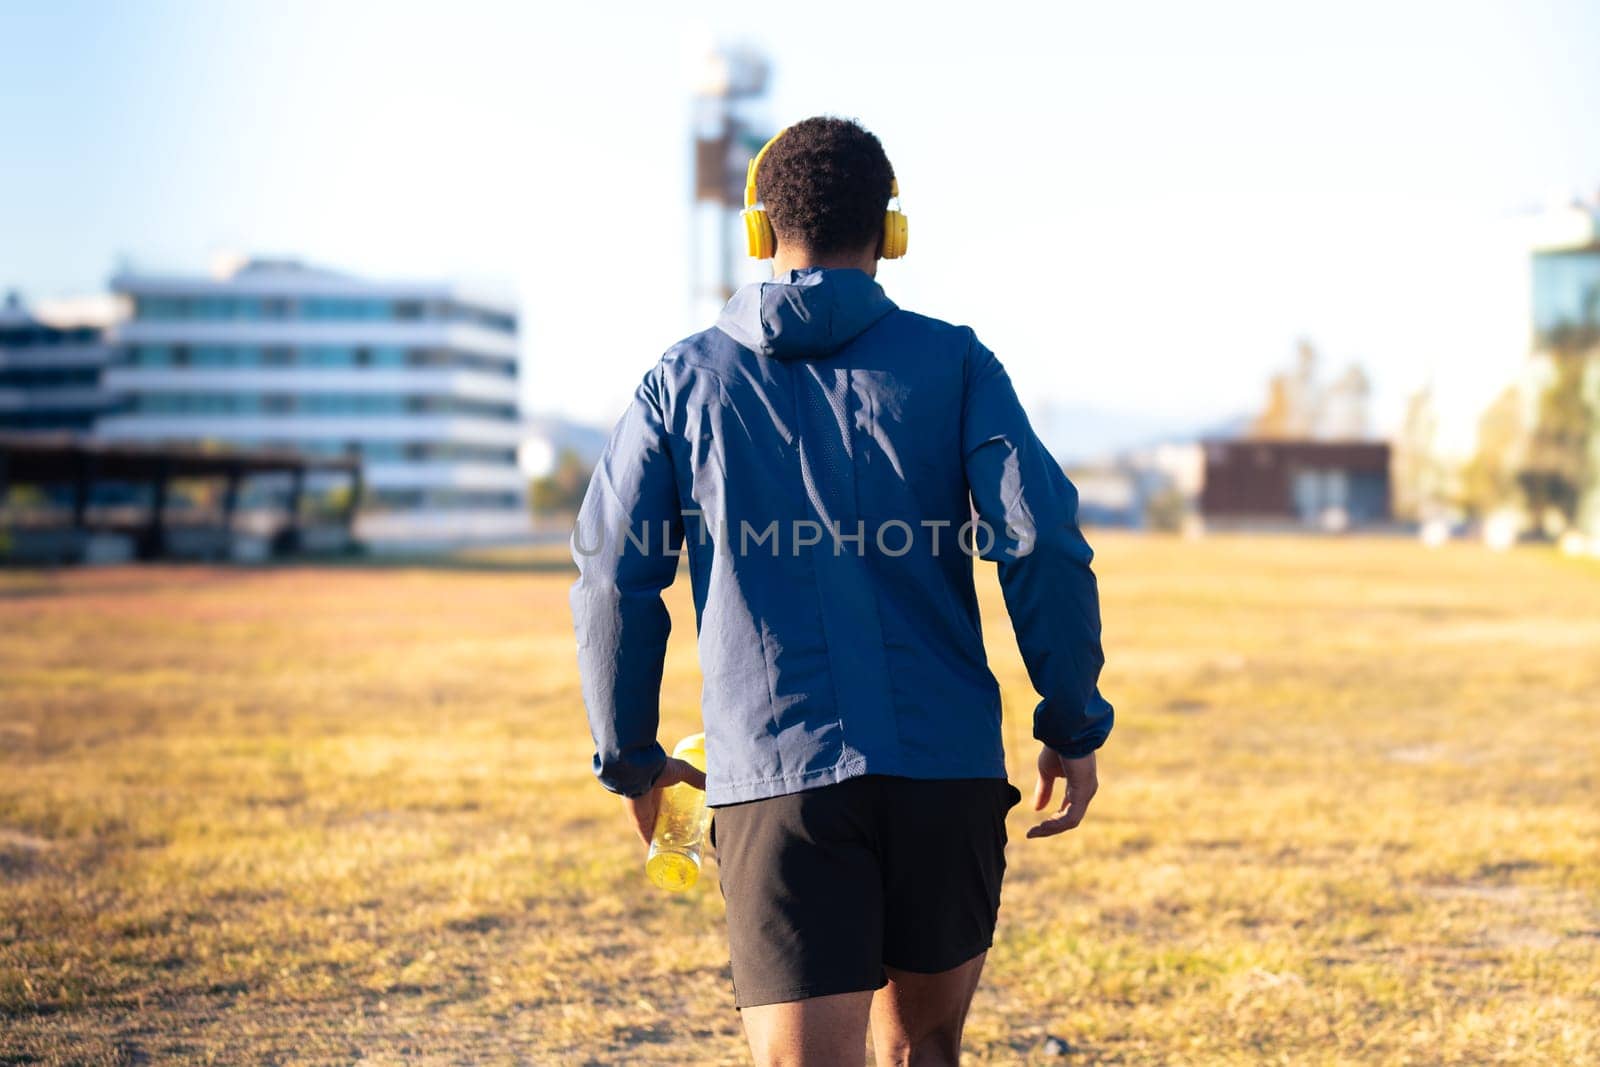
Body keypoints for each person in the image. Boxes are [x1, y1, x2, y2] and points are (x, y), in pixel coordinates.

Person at [571, 116, 1113, 1066]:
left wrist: (631, 757)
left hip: (779, 783)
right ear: (891, 231)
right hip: (945, 773)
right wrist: (1070, 720)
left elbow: (615, 574)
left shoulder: (681, 381)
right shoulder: (958, 363)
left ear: (757, 227)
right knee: (927, 1047)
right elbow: (1043, 541)